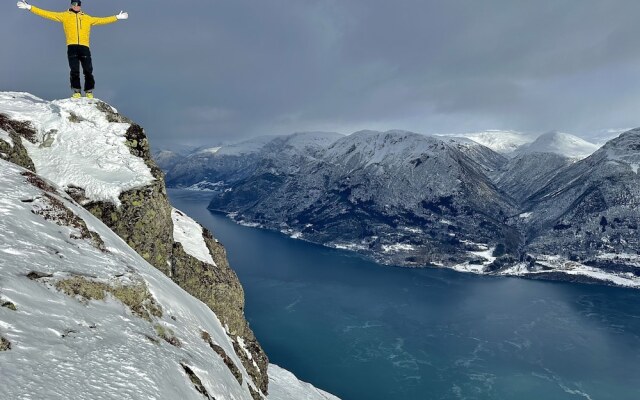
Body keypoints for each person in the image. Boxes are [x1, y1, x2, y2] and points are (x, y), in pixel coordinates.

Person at [17, 1, 129, 99]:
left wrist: (117, 17)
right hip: (72, 46)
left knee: (88, 70)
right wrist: (30, 7)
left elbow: (101, 20)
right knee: (74, 70)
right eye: (74, 4)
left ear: (80, 6)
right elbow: (47, 14)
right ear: (71, 5)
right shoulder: (65, 16)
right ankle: (76, 91)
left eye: (78, 4)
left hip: (84, 47)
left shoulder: (87, 18)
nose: (76, 6)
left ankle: (89, 91)